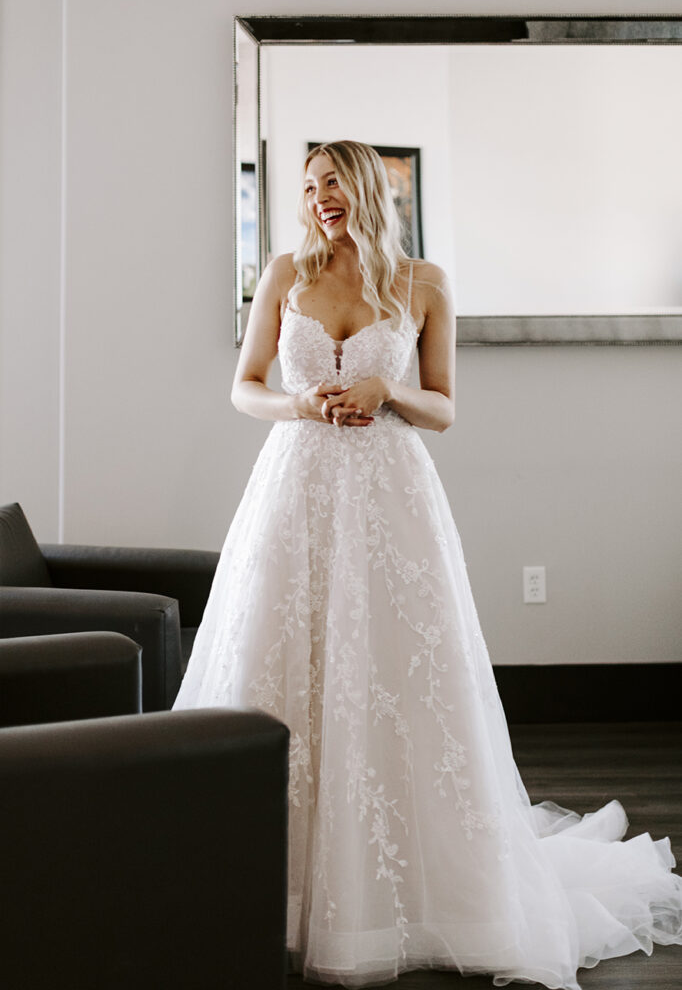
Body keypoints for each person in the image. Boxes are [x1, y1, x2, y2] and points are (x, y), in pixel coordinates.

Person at [174, 140, 682, 988]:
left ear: (368, 186)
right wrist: (296, 402)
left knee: (397, 675)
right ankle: (268, 884)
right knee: (277, 667)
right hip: (294, 490)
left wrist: (388, 393)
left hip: (388, 499)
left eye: (332, 181)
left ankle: (399, 889)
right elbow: (245, 386)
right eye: (306, 186)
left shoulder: (425, 282)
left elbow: (442, 406)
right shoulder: (283, 273)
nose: (317, 198)